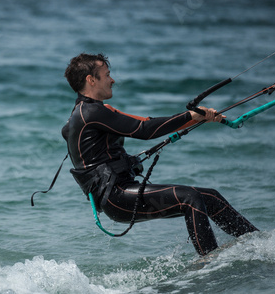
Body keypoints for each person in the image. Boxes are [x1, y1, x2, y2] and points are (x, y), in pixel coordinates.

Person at [61, 53, 258, 256]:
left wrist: (200, 118)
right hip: (115, 196)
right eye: (107, 74)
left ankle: (259, 243)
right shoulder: (91, 113)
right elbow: (145, 130)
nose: (113, 80)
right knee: (190, 198)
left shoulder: (91, 112)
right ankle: (209, 264)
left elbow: (147, 121)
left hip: (121, 192)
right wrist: (190, 115)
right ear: (91, 80)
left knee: (211, 197)